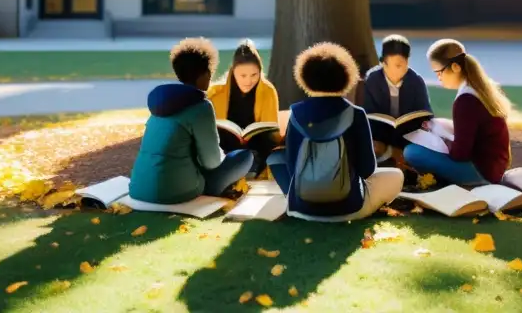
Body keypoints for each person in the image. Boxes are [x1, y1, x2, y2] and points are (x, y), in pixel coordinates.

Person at [266, 42, 404, 221]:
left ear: (305, 76)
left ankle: (297, 203)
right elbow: (367, 169)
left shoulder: (295, 114)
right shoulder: (356, 114)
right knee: (396, 175)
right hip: (349, 208)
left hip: (301, 209)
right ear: (346, 76)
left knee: (275, 158)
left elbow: (293, 168)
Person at [128, 37, 254, 204]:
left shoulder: (162, 102)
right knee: (245, 157)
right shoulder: (200, 106)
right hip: (177, 192)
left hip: (139, 188)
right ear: (206, 74)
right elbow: (212, 162)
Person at [402, 38, 512, 188]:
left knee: (412, 152)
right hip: (494, 167)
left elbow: (460, 154)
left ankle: (452, 183)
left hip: (482, 173)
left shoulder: (466, 100)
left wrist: (441, 140)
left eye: (439, 72)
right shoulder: (478, 89)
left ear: (455, 67)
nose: (438, 78)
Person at [206, 39, 280, 171]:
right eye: (243, 75)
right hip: (223, 153)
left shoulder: (268, 92)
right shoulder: (215, 92)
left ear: (260, 72)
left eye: (254, 75)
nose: (248, 81)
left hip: (254, 154)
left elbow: (272, 133)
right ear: (233, 72)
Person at [361, 35, 433, 156]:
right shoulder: (373, 80)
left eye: (405, 64)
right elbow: (368, 113)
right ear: (384, 63)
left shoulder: (416, 81)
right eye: (397, 65)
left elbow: (425, 112)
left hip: (408, 135)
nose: (402, 69)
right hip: (380, 136)